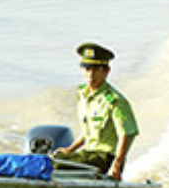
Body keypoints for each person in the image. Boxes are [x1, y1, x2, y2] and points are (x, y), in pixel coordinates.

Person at [52, 43, 139, 181]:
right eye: (87, 69)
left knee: (55, 166)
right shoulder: (84, 95)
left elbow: (127, 134)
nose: (90, 74)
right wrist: (70, 149)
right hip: (88, 154)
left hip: (105, 158)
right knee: (52, 159)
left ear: (106, 71)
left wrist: (117, 165)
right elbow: (88, 133)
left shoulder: (115, 101)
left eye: (96, 69)